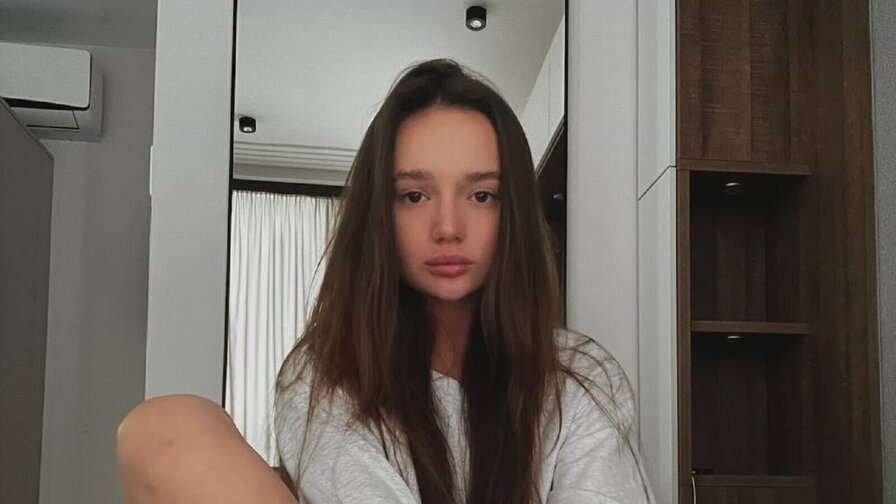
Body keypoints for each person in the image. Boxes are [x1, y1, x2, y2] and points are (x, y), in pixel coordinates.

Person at [116, 59, 652, 504]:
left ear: (512, 213)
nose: (448, 227)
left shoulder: (579, 377)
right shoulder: (330, 374)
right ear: (380, 214)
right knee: (166, 427)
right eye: (414, 196)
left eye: (481, 195)